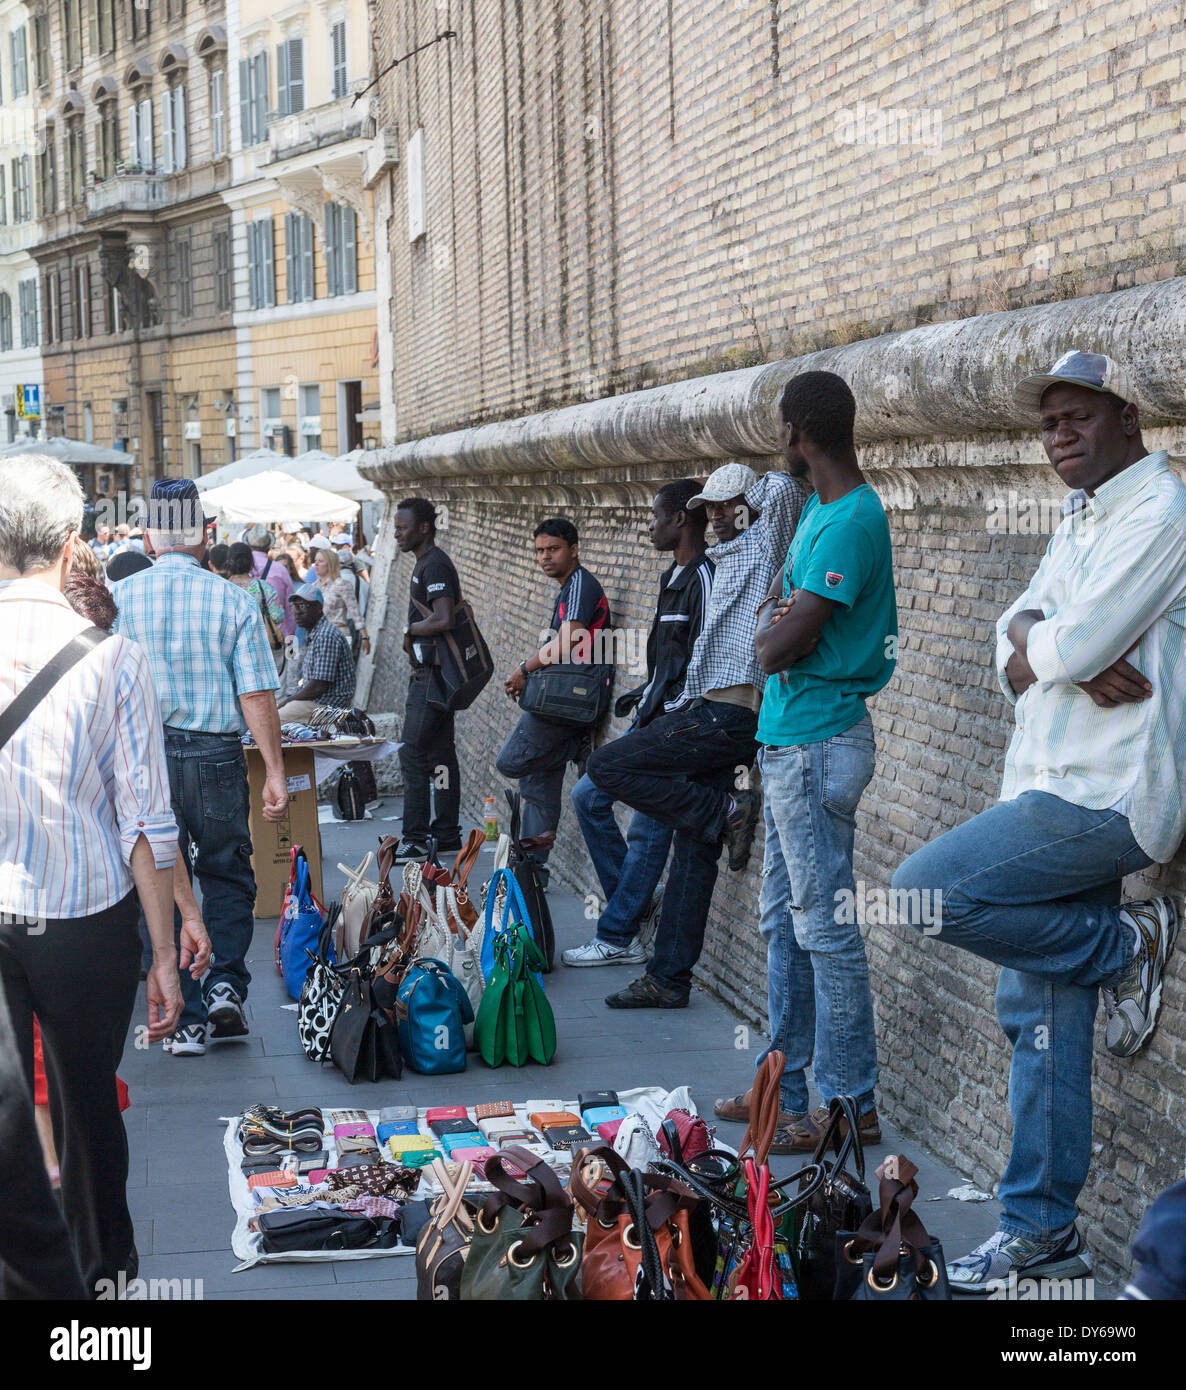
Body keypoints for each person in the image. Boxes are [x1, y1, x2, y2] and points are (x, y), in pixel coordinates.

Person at [892, 350, 1186, 1293]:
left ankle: (1122, 948)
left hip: (1109, 800)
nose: (1060, 436)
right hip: (1048, 786)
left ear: (1130, 418)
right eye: (1048, 423)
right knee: (1040, 1028)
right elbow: (1014, 628)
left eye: (1078, 418)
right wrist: (1043, 643)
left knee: (918, 893)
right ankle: (1042, 1235)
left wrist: (1057, 644)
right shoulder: (1080, 515)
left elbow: (1081, 638)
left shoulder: (1163, 512)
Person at [0, 454, 184, 1294]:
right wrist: (166, 953)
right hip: (85, 918)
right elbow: (146, 824)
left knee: (8, 1123)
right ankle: (103, 1288)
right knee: (87, 1110)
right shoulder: (116, 661)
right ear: (72, 543)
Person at [714, 371, 897, 1152]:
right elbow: (773, 620)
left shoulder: (852, 519)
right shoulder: (817, 512)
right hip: (790, 741)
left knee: (825, 929)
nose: (777, 442)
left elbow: (778, 639)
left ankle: (849, 1105)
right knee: (783, 926)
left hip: (821, 742)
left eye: (781, 429)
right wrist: (779, 628)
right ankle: (782, 1096)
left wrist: (779, 632)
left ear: (799, 432)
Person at [585, 460, 807, 1008]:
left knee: (607, 768)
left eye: (724, 503)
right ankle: (669, 978)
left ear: (749, 504)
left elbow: (783, 488)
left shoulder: (762, 545)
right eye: (708, 504)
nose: (713, 513)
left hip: (734, 715)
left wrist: (765, 465)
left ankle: (722, 813)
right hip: (704, 708)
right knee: (692, 851)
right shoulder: (723, 558)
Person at [113, 478, 289, 1058]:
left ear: (148, 535)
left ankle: (180, 1014)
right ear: (206, 534)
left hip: (145, 759)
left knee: (157, 876)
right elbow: (257, 694)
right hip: (214, 756)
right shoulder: (234, 599)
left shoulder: (122, 601)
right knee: (227, 872)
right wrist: (275, 773)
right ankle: (225, 990)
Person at [564, 479, 715, 966]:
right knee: (588, 795)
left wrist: (675, 713)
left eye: (654, 517)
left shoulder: (704, 576)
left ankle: (617, 935)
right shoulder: (672, 576)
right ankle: (631, 907)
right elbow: (665, 660)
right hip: (651, 717)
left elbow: (707, 657)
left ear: (679, 519)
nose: (647, 526)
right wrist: (646, 695)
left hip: (677, 727)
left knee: (649, 830)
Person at [495, 518, 611, 885]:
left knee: (512, 760)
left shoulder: (580, 584)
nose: (545, 557)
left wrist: (524, 669)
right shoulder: (567, 587)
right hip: (564, 697)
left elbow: (570, 640)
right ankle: (533, 869)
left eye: (553, 549)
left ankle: (570, 745)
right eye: (540, 551)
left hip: (574, 700)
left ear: (573, 550)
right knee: (536, 780)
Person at [390, 498, 463, 861]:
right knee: (440, 757)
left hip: (433, 678)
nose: (396, 533)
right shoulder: (427, 563)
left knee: (413, 753)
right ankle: (447, 833)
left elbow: (444, 617)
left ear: (424, 528)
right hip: (437, 676)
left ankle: (416, 838)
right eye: (395, 527)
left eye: (402, 527)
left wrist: (409, 628)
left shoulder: (434, 565)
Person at [278, 585, 356, 722]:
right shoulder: (315, 633)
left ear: (319, 608)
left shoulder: (326, 635)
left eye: (302, 606)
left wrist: (289, 701)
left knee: (272, 721)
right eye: (294, 606)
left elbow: (318, 686)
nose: (297, 612)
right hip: (317, 701)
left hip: (327, 705)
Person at [312, 542, 369, 656]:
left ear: (330, 564)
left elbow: (355, 612)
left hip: (339, 635)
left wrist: (364, 637)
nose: (316, 564)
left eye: (320, 561)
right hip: (318, 637)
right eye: (315, 561)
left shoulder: (341, 584)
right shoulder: (313, 587)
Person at [245, 524, 296, 638]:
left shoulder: (242, 569)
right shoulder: (281, 570)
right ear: (269, 547)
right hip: (276, 636)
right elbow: (290, 607)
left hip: (248, 636)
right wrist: (289, 636)